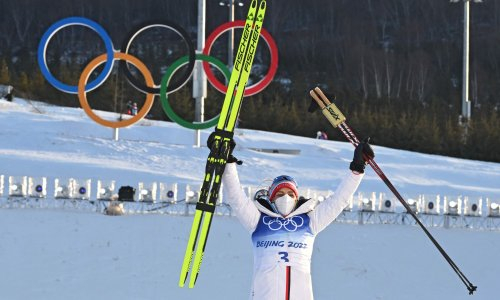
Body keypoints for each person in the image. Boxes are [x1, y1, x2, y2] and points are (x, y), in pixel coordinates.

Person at [220, 137, 374, 299]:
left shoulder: (309, 221)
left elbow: (338, 201)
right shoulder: (258, 220)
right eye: (279, 194)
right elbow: (236, 197)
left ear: (296, 198)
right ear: (271, 199)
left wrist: (357, 169)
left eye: (290, 194)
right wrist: (228, 163)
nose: (285, 197)